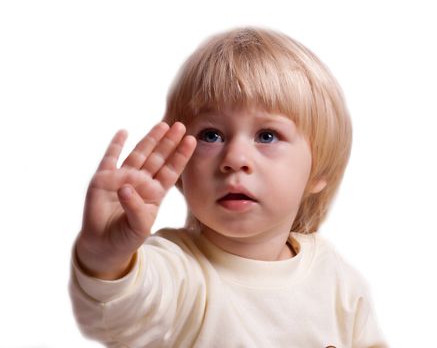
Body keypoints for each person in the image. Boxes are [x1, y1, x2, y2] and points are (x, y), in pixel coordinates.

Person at [69, 26, 388, 347]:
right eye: (211, 135)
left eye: (267, 136)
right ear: (182, 166)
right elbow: (118, 311)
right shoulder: (175, 270)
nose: (234, 158)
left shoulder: (336, 280)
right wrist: (105, 257)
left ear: (318, 170)